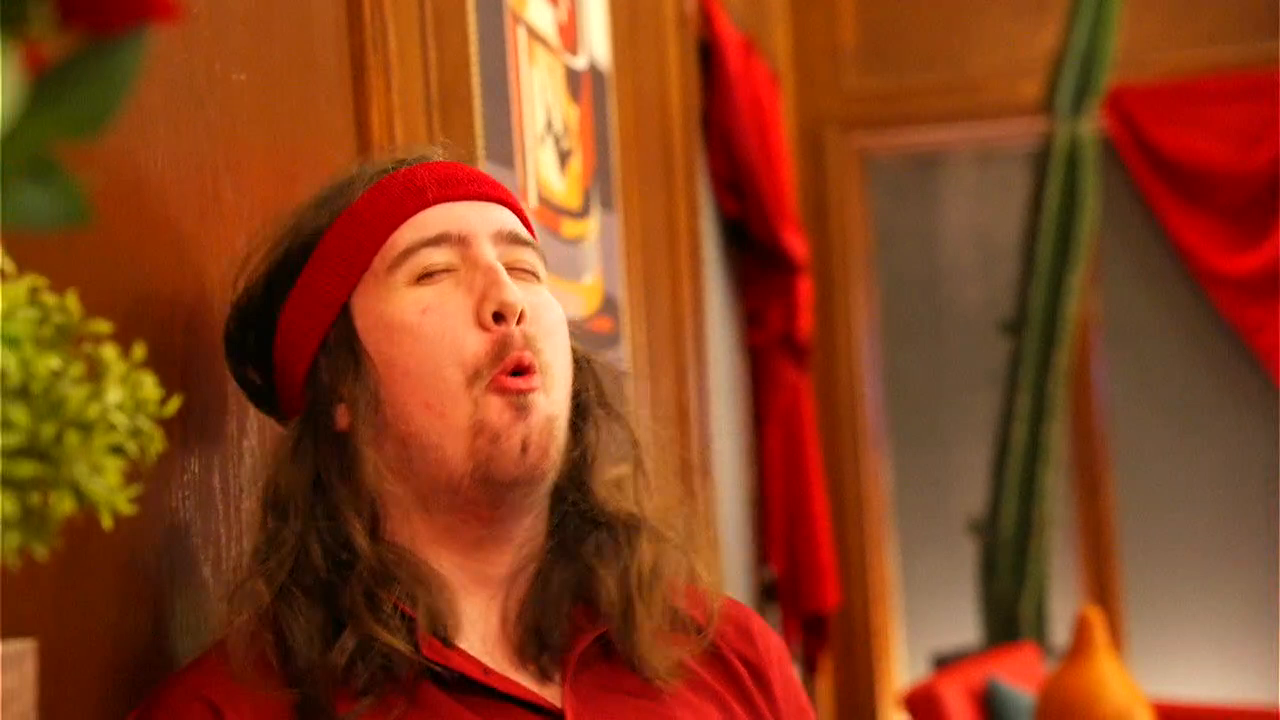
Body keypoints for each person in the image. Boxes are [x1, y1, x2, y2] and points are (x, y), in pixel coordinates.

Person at [132, 153, 816, 719]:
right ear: (336, 387)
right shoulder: (224, 709)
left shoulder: (731, 655)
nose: (507, 299)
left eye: (525, 269)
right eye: (434, 271)